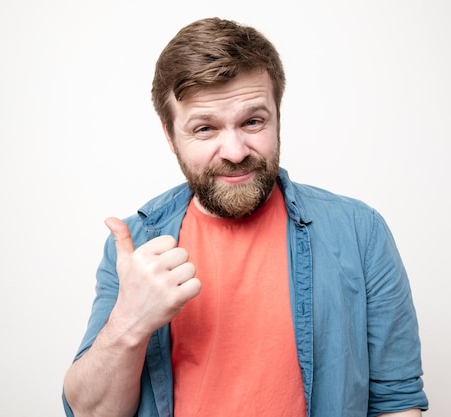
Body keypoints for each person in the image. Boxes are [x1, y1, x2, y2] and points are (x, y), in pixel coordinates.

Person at [62, 17, 429, 417]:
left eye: (253, 121)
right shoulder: (137, 250)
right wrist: (130, 323)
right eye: (205, 128)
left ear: (277, 117)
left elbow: (397, 403)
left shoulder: (360, 233)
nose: (235, 151)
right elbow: (91, 413)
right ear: (170, 136)